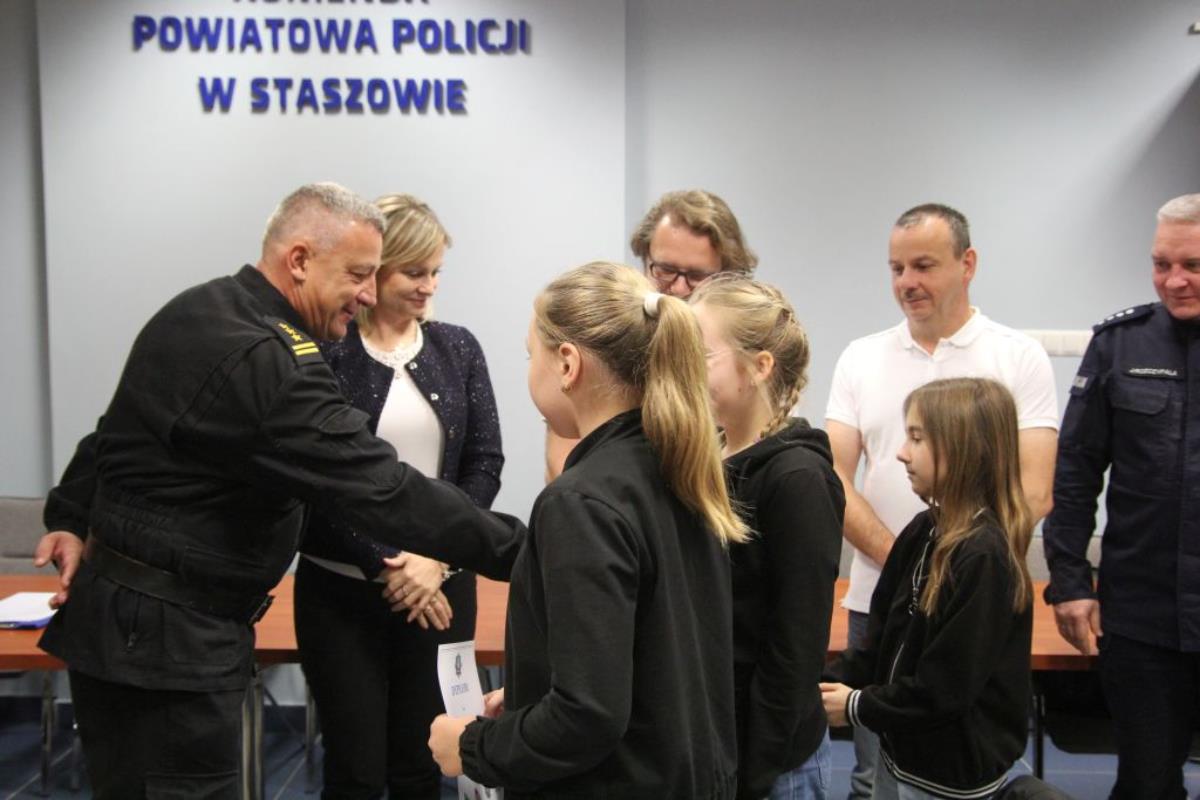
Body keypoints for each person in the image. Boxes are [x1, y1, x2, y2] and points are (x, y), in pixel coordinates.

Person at [31, 183, 523, 799]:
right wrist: (532, 552)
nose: (369, 294)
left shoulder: (202, 306)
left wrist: (69, 515)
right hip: (168, 643)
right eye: (358, 275)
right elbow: (380, 487)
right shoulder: (271, 361)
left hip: (131, 632)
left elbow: (117, 430)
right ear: (299, 261)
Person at [427, 262, 748, 798]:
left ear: (567, 364)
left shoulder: (580, 503)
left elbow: (588, 715)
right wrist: (532, 698)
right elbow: (639, 659)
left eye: (531, 355)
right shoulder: (678, 469)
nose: (529, 370)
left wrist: (474, 746)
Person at [824, 203, 1059, 798]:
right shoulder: (861, 357)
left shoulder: (1017, 357)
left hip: (963, 600)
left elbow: (1034, 491)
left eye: (923, 265)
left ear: (967, 263)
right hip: (885, 596)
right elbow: (834, 477)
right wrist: (910, 565)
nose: (907, 281)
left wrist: (946, 571)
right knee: (877, 772)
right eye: (896, 268)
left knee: (931, 752)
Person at [293, 194, 505, 799]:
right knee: (354, 771)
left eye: (436, 272)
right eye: (415, 271)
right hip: (341, 591)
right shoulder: (326, 350)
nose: (428, 286)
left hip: (442, 587)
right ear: (376, 271)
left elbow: (483, 463)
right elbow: (314, 480)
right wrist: (389, 565)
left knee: (423, 764)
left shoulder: (457, 347)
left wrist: (436, 559)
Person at [1043, 193, 1200, 800]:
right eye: (1162, 264)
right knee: (1146, 783)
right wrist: (1070, 582)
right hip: (1141, 619)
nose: (1174, 280)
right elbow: (1075, 471)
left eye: (1192, 265)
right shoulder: (1118, 344)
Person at [821, 378, 1035, 800]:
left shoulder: (984, 557)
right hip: (900, 758)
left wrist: (855, 706)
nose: (902, 452)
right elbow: (879, 646)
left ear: (964, 449)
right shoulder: (924, 530)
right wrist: (818, 684)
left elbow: (945, 688)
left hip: (948, 780)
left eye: (917, 438)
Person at [690, 274, 844, 800]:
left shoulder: (797, 479)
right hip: (720, 745)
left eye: (702, 356)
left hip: (770, 763)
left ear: (759, 366)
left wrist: (754, 769)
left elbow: (794, 648)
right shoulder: (712, 456)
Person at [545, 188, 756, 480]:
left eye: (696, 276)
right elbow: (563, 462)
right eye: (665, 270)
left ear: (727, 276)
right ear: (645, 261)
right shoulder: (613, 341)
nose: (679, 288)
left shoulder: (747, 360)